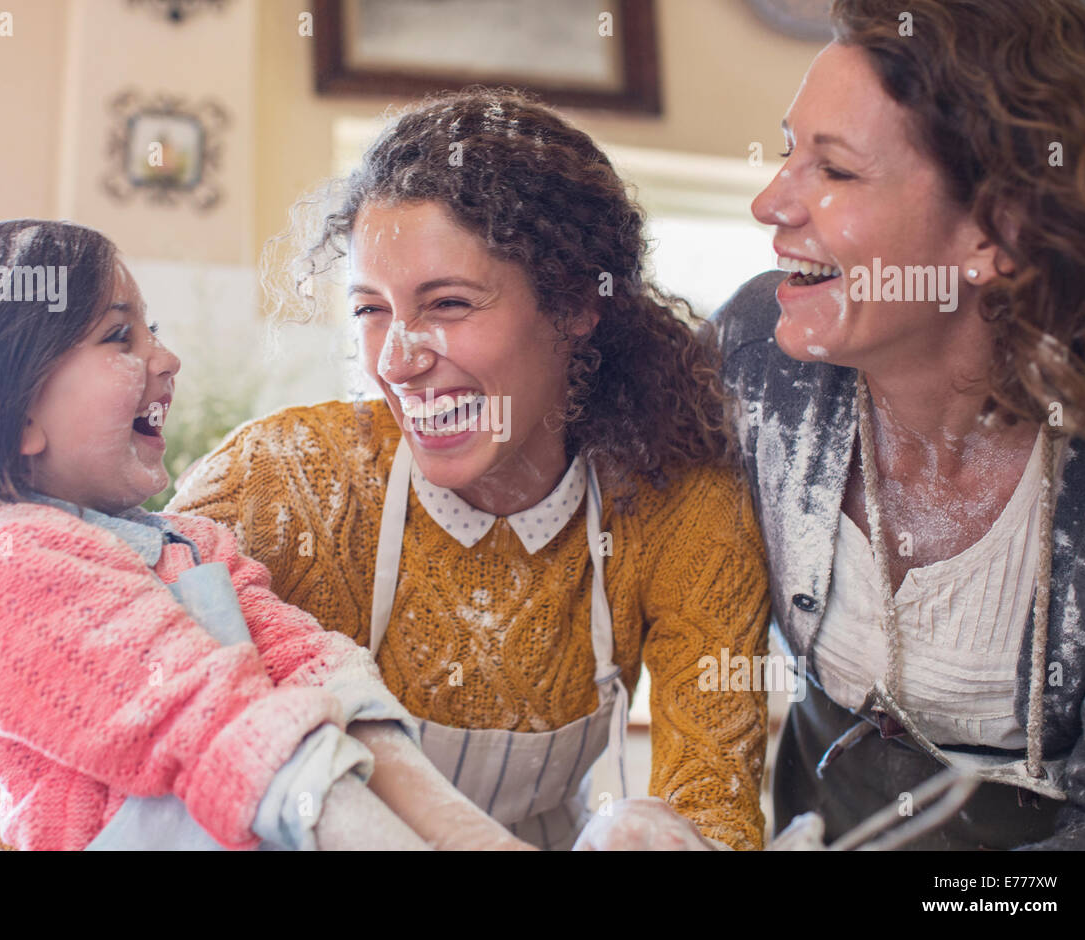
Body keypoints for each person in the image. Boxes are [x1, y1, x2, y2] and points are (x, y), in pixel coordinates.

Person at [167, 88, 773, 850]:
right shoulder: (281, 480)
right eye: (370, 309)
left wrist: (670, 839)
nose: (397, 359)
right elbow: (94, 681)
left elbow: (714, 807)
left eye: (448, 304)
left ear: (578, 304)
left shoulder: (681, 509)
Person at [0, 219, 531, 850]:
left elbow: (317, 669)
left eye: (153, 331)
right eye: (120, 337)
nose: (166, 358)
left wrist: (476, 839)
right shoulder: (10, 563)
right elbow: (222, 735)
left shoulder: (192, 545)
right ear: (9, 414)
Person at [715, 0, 1085, 849]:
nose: (771, 204)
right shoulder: (751, 351)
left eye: (836, 170)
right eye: (787, 153)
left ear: (995, 232)